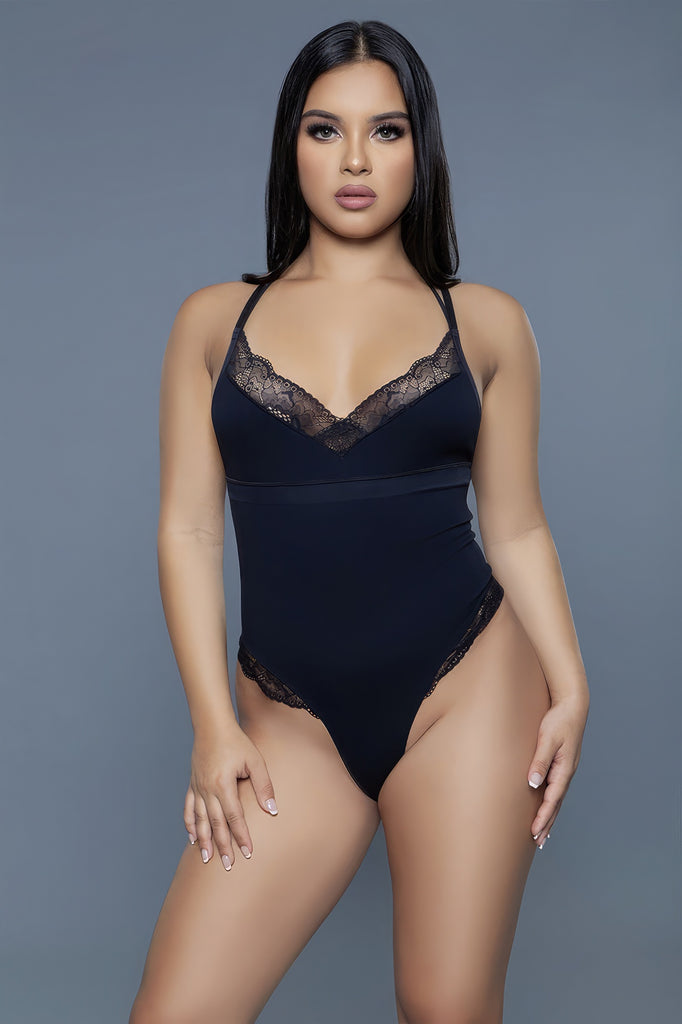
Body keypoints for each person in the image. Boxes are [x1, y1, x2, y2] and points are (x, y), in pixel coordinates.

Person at [129, 19, 590, 1024]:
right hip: (287, 720)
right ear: (289, 145)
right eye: (323, 129)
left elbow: (516, 526)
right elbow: (188, 532)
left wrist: (572, 683)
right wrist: (212, 725)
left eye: (385, 131)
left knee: (444, 1006)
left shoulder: (488, 323)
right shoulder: (210, 323)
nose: (353, 160)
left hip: (468, 691)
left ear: (420, 149)